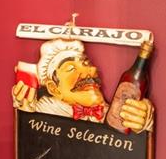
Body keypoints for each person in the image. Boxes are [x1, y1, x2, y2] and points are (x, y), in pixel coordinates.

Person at [12, 38, 153, 133]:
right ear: (54, 88)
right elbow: (30, 130)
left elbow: (130, 141)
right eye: (71, 68)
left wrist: (143, 119)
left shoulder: (110, 115)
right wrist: (24, 111)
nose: (90, 71)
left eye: (86, 64)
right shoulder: (46, 110)